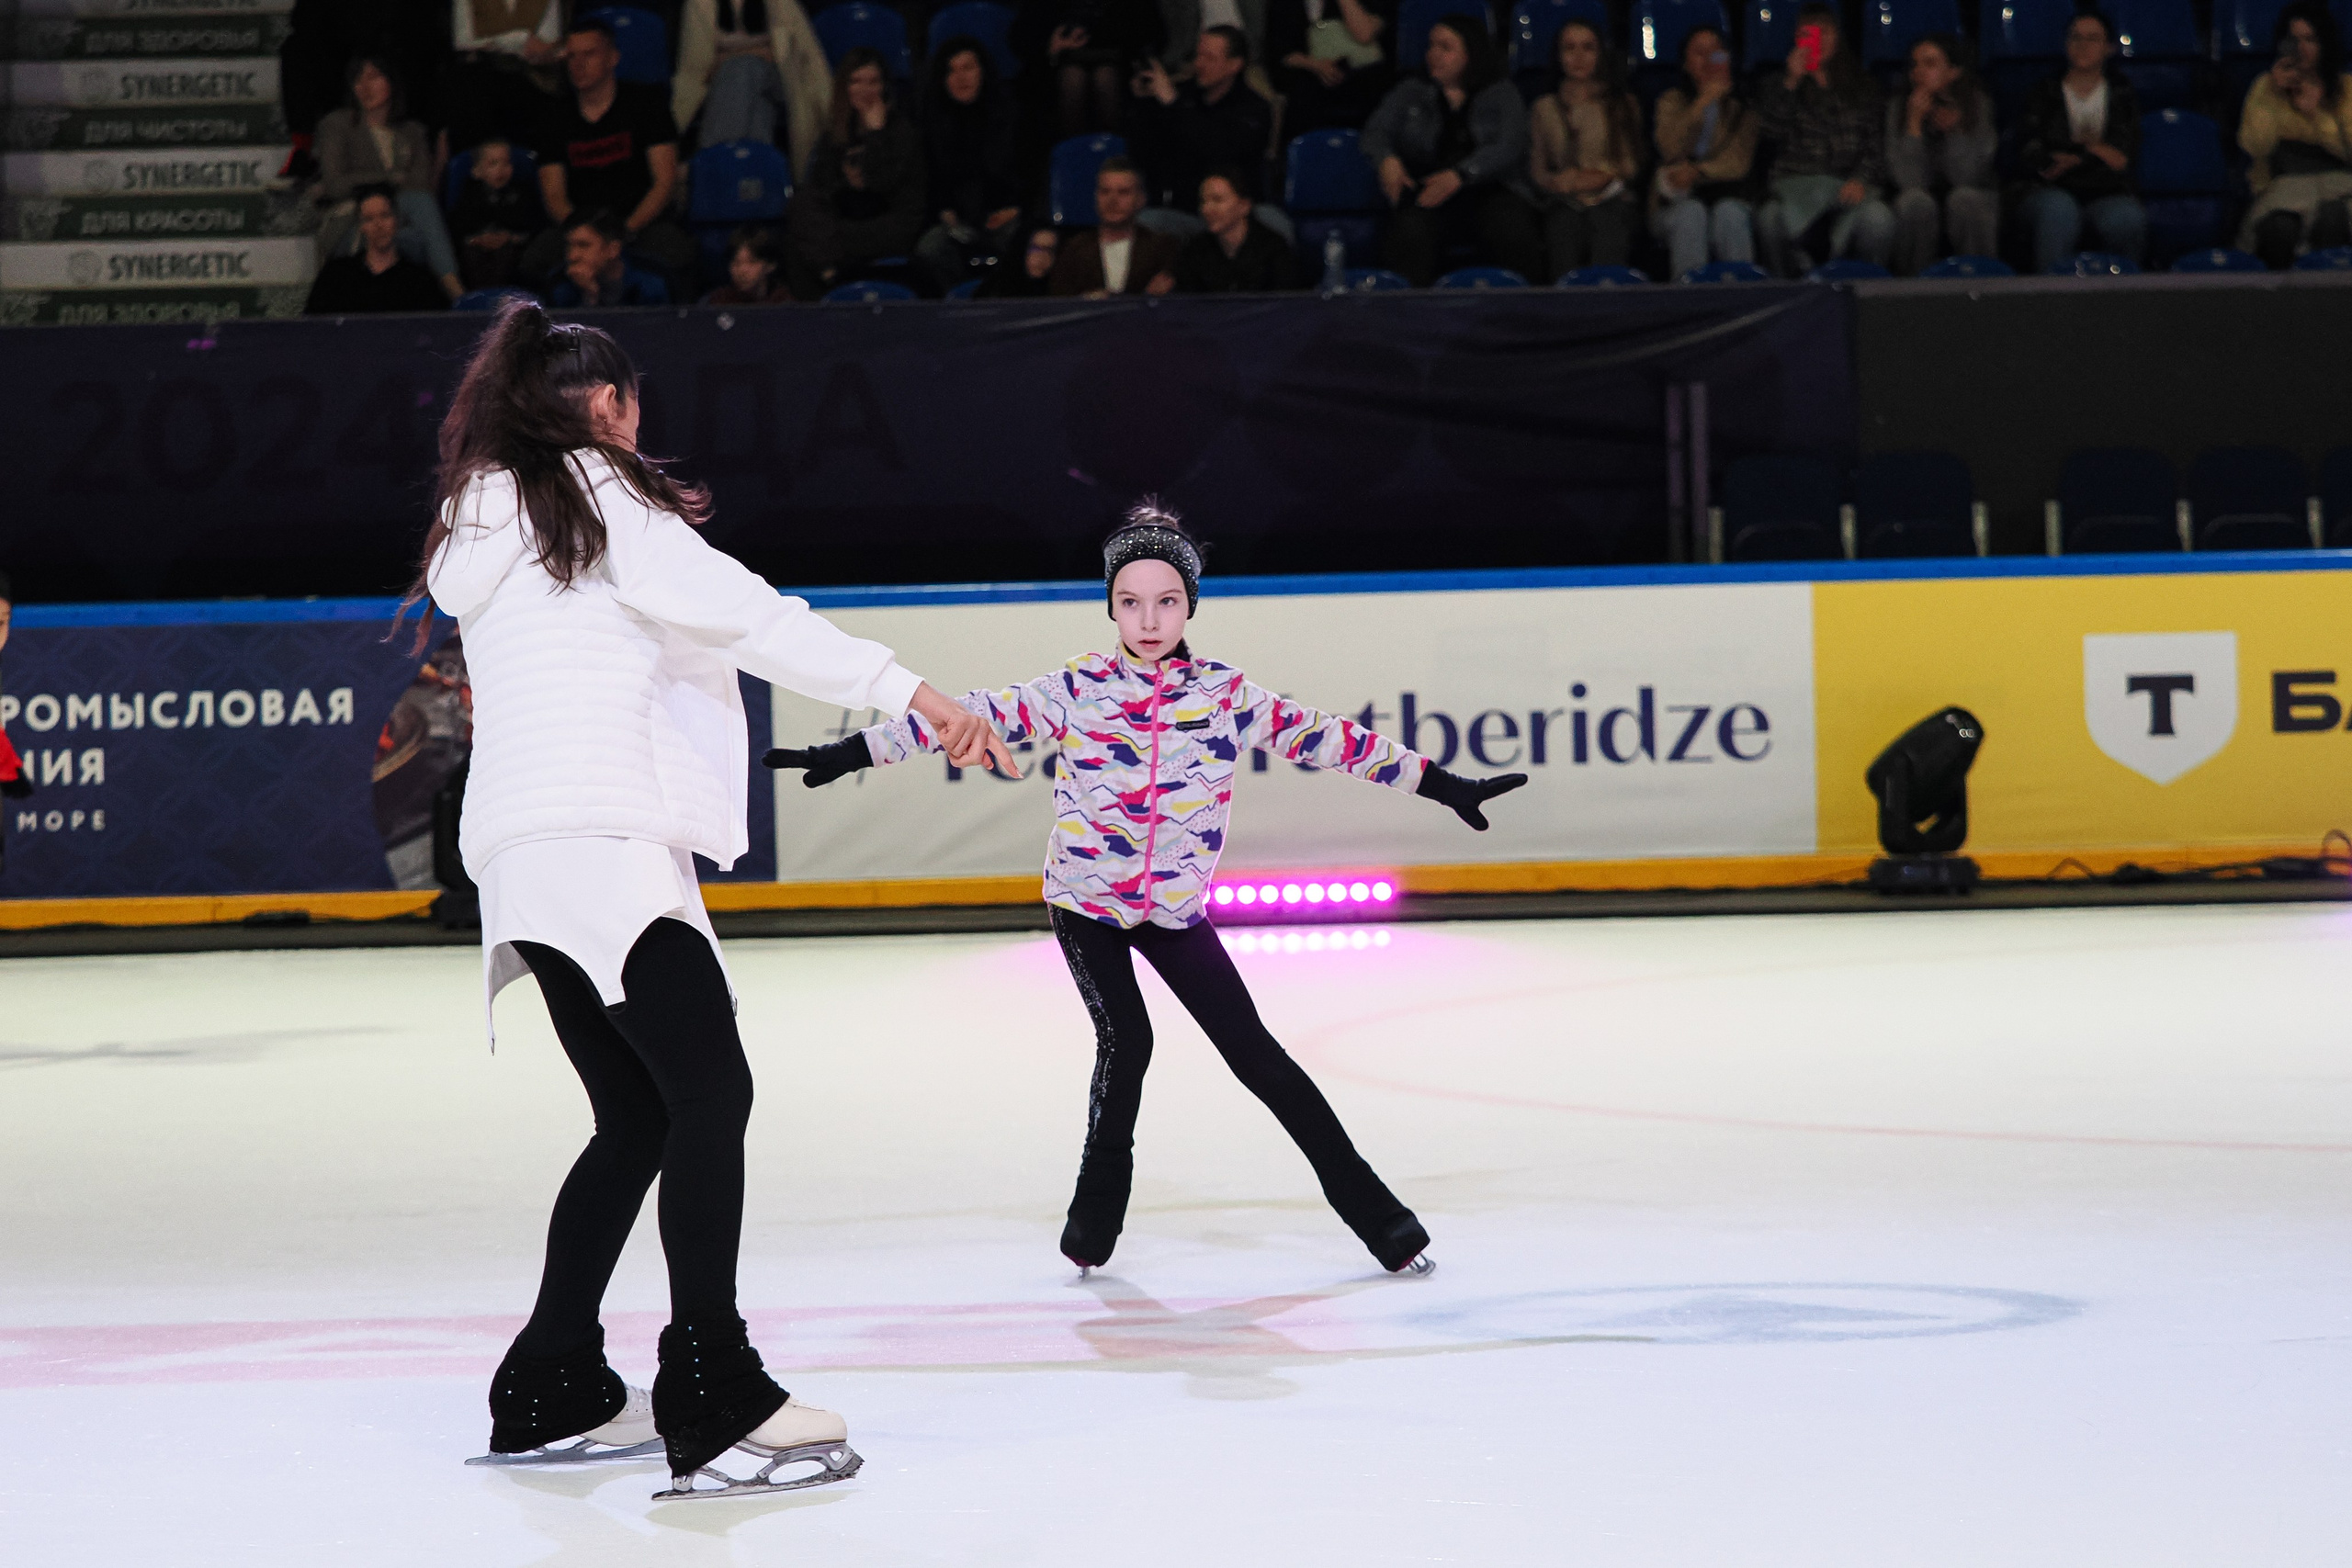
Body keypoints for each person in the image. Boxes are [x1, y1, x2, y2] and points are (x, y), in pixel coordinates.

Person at [414, 299, 1012, 1495]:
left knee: (637, 1118)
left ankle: (551, 1382)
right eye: (632, 403)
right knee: (711, 1092)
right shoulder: (607, 500)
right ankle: (715, 1392)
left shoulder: (484, 519)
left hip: (522, 859)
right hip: (607, 845)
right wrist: (917, 693)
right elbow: (753, 615)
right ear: (610, 406)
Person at [766, 503, 1526, 1277]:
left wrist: (1445, 785)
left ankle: (1385, 1222)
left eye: (1166, 600)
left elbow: (1336, 739)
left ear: (1189, 603)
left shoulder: (1225, 694)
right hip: (1085, 906)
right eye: (1130, 601)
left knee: (1258, 1055)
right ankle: (1092, 1222)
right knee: (1128, 1042)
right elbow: (967, 719)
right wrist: (855, 748)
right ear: (1111, 606)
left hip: (1174, 913)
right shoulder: (1076, 688)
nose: (1149, 617)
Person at [1362, 16, 1545, 287]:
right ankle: (1408, 317)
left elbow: (1509, 145)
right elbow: (1374, 132)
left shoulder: (1501, 93)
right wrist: (1386, 160)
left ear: (1471, 54)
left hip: (1490, 187)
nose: (1433, 54)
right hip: (1430, 186)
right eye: (1431, 46)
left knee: (1512, 231)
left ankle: (1526, 312)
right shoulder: (1411, 91)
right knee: (1409, 232)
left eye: (1445, 48)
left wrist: (1462, 174)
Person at [528, 17, 696, 293]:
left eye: (589, 54)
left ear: (613, 58)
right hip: (579, 227)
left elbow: (664, 182)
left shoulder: (647, 103)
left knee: (677, 251)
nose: (578, 64)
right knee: (537, 258)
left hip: (639, 223)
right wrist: (585, 240)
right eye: (571, 56)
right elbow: (554, 196)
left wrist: (622, 233)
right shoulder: (553, 116)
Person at [1753, 2, 1894, 276]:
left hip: (1846, 189)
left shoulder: (1863, 87)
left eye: (1825, 32)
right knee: (1770, 220)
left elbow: (1875, 145)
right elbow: (1770, 135)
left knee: (1879, 220)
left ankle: (1870, 292)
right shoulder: (1775, 86)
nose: (1818, 40)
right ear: (1798, 40)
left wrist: (1861, 179)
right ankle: (1786, 295)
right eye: (1809, 34)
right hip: (1795, 189)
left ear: (1838, 37)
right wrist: (1792, 82)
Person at [314, 56, 462, 299]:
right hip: (353, 221)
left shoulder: (412, 132)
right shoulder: (338, 125)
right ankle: (453, 289)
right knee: (418, 204)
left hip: (399, 225)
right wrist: (390, 178)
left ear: (391, 82)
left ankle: (443, 292)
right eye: (357, 80)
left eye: (373, 77)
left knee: (419, 213)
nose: (364, 87)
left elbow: (420, 184)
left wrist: (373, 182)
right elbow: (335, 185)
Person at [785, 48, 927, 298]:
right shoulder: (836, 134)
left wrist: (876, 135)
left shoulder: (902, 132)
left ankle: (831, 275)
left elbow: (883, 183)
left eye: (873, 82)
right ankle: (825, 292)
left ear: (884, 87)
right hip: (848, 221)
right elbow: (822, 189)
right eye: (856, 81)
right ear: (844, 87)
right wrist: (846, 183)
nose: (865, 90)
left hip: (889, 222)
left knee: (804, 246)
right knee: (800, 207)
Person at [2014, 9, 2145, 273]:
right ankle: (2051, 299)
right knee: (2059, 211)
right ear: (2065, 45)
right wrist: (2094, 151)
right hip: (2049, 190)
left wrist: (2075, 156)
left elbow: (2121, 158)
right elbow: (2033, 151)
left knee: (2129, 218)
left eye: (2092, 39)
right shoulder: (2044, 91)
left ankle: (2128, 299)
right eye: (2076, 38)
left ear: (2108, 47)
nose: (2083, 45)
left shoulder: (2122, 93)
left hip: (2105, 190)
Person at [2237, 0, 2352, 268]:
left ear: (2324, 44)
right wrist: (2274, 96)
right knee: (2281, 227)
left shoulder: (2346, 89)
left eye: (2310, 40)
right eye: (2294, 40)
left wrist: (2315, 114)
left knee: (2334, 218)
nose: (2301, 49)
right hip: (2283, 187)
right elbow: (2255, 146)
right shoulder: (2265, 87)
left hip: (2340, 186)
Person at [1527, 19, 1643, 276]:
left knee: (1609, 225)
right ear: (1558, 56)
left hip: (1610, 196)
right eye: (1570, 48)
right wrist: (1558, 182)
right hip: (1565, 199)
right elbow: (1537, 169)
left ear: (1601, 54)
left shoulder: (1621, 103)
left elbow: (1632, 164)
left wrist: (1600, 176)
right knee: (1563, 229)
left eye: (1588, 48)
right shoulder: (1544, 108)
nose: (1578, 57)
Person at [671, 0, 833, 178]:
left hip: (778, 83)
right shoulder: (701, 4)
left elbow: (806, 54)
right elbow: (698, 67)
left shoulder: (780, 3)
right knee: (755, 107)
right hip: (723, 88)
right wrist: (758, 52)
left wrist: (730, 58)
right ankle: (753, 179)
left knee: (745, 69)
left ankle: (713, 165)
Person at [913, 38, 1023, 296]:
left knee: (1024, 242)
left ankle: (1002, 303)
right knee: (929, 249)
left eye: (968, 68)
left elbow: (1031, 173)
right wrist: (945, 212)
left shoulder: (1011, 114)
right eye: (952, 70)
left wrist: (1015, 209)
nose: (961, 77)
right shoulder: (932, 120)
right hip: (955, 223)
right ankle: (961, 302)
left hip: (1005, 216)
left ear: (983, 71)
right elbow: (929, 180)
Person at [1128, 26, 1276, 216]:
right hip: (1184, 210)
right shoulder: (1183, 95)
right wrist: (1142, 103)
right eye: (1198, 56)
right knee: (1148, 221)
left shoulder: (1254, 108)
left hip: (1236, 212)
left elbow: (1220, 155)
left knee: (1275, 222)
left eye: (1210, 58)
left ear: (1234, 65)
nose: (1199, 64)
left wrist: (1174, 104)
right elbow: (1142, 152)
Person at [1649, 24, 1758, 280]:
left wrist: (1697, 171)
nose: (1709, 60)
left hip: (1729, 197)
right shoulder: (1670, 102)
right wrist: (1702, 102)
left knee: (1728, 214)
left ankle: (1744, 299)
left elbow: (1737, 163)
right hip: (1675, 201)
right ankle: (1692, 300)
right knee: (1691, 214)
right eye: (1700, 53)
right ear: (1686, 64)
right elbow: (1669, 148)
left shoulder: (1743, 109)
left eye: (1716, 53)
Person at [1885, 32, 1997, 275]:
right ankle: (1913, 290)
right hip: (1923, 196)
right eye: (1915, 65)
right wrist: (1913, 124)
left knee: (1965, 199)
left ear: (1953, 72)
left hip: (1970, 194)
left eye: (1930, 64)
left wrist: (1956, 133)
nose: (1919, 72)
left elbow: (1968, 178)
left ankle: (1980, 284)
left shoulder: (1976, 105)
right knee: (1915, 203)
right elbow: (1909, 183)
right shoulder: (1898, 109)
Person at [1023, 0, 1170, 137]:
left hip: (1121, 67)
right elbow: (1023, 34)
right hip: (1053, 70)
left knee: (1104, 76)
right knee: (1073, 78)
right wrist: (1051, 44)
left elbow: (1152, 33)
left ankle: (1110, 154)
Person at [441, 0, 565, 156]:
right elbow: (464, 42)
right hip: (484, 81)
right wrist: (517, 40)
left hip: (533, 81)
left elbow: (546, 45)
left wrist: (500, 44)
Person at [305, 185, 451, 313]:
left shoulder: (420, 281)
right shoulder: (335, 277)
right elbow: (313, 327)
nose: (378, 225)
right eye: (369, 219)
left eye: (385, 215)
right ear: (361, 227)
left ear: (396, 220)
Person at [1049, 156, 1183, 294]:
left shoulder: (1163, 248)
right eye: (1105, 192)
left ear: (1141, 199)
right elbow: (1059, 303)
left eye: (1123, 192)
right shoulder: (1073, 250)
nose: (1112, 200)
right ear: (1096, 197)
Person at [1268, 0, 1393, 135]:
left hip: (1362, 74)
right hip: (1309, 76)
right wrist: (1315, 65)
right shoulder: (1284, 5)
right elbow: (1278, 50)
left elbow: (1364, 34)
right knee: (1303, 99)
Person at [450, 138, 547, 293]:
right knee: (471, 256)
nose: (501, 169)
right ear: (476, 171)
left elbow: (532, 225)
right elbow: (459, 226)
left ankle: (498, 297)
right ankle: (480, 299)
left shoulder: (521, 193)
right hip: (476, 246)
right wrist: (478, 238)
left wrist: (509, 237)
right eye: (493, 164)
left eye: (506, 163)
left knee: (507, 256)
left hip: (513, 249)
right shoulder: (468, 195)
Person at [1172, 169, 1297, 288]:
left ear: (1244, 206)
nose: (1206, 209)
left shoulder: (1274, 249)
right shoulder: (1194, 250)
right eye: (1203, 201)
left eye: (1217, 200)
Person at [548, 210, 673, 307]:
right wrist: (590, 297)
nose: (572, 256)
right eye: (569, 246)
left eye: (583, 245)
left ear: (613, 249)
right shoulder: (560, 283)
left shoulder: (652, 280)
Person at [701, 226, 794, 302]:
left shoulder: (783, 302)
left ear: (770, 265)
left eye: (752, 262)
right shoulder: (718, 301)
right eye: (736, 263)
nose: (742, 271)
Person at [978, 222, 1062, 296]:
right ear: (1020, 249)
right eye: (1035, 249)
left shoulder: (1060, 292)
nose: (1043, 257)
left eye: (1050, 250)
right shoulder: (993, 293)